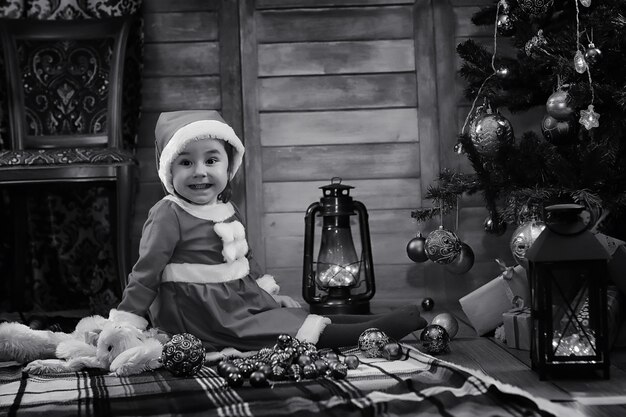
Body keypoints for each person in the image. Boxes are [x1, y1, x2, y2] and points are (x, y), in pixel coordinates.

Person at [117, 110, 426, 352]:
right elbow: (145, 274)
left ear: (229, 166)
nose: (199, 171)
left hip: (236, 298)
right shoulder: (169, 214)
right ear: (169, 171)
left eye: (211, 159)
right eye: (185, 162)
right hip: (199, 311)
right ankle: (374, 330)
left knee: (291, 315)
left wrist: (266, 293)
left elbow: (245, 258)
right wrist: (126, 323)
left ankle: (369, 320)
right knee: (284, 331)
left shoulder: (226, 207)